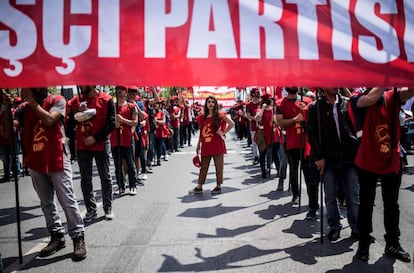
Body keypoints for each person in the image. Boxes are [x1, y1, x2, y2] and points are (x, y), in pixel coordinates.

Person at [17, 87, 86, 260]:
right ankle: (56, 235)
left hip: (57, 157)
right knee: (46, 202)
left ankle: (78, 237)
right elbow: (11, 129)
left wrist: (31, 102)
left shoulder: (58, 100)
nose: (37, 87)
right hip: (35, 158)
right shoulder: (24, 108)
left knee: (67, 199)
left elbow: (49, 120)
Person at [352, 87, 414, 262]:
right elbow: (370, 100)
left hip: (390, 157)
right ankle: (363, 243)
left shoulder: (392, 94)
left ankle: (392, 243)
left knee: (392, 204)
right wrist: (384, 74)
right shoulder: (357, 96)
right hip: (367, 158)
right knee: (366, 203)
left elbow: (408, 92)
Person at [306, 87, 360, 237]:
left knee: (353, 196)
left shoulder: (347, 103)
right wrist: (318, 156)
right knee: (330, 196)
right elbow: (311, 133)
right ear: (323, 86)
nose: (335, 85)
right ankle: (334, 226)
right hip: (328, 160)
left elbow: (356, 126)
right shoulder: (315, 108)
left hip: (349, 158)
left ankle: (356, 227)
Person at [70, 85, 115, 222]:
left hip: (101, 143)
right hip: (83, 145)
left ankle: (108, 208)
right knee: (85, 179)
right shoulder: (75, 101)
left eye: (83, 83)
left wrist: (95, 138)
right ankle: (91, 210)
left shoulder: (107, 100)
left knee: (105, 176)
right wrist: (77, 112)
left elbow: (111, 123)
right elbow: (69, 124)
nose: (80, 86)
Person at [276, 87, 314, 206]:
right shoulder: (280, 103)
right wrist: (295, 119)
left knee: (308, 172)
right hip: (291, 141)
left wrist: (306, 111)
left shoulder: (308, 101)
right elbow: (279, 121)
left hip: (306, 142)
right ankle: (296, 194)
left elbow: (315, 119)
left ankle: (312, 200)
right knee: (293, 170)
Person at [189, 96, 234, 194]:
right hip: (206, 145)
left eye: (213, 102)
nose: (210, 103)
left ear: (215, 104)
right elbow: (201, 132)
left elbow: (231, 123)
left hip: (217, 144)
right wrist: (198, 144)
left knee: (219, 166)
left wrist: (223, 132)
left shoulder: (219, 115)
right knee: (204, 167)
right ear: (206, 104)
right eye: (208, 102)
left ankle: (218, 186)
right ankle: (199, 186)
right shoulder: (202, 117)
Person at [111, 86, 139, 195]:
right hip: (115, 140)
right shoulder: (112, 107)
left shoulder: (131, 106)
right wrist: (114, 124)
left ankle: (133, 185)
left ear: (126, 92)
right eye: (118, 89)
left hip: (127, 139)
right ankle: (120, 186)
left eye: (122, 89)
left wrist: (122, 120)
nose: (119, 91)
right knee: (118, 165)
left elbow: (134, 122)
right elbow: (108, 123)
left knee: (130, 163)